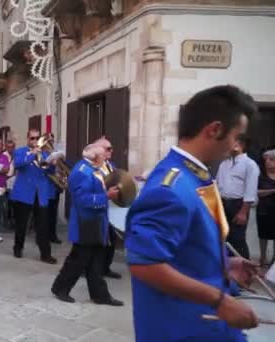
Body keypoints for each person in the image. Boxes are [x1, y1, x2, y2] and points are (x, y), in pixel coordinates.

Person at [125, 85, 260, 341]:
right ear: (214, 130)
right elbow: (145, 264)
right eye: (236, 137)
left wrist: (224, 264)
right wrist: (221, 301)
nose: (235, 147)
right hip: (183, 329)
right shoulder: (171, 187)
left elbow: (184, 247)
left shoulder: (193, 177)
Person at [51, 144, 124, 306]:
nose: (107, 156)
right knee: (79, 258)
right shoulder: (81, 172)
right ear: (95, 157)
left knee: (96, 258)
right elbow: (83, 200)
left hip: (96, 221)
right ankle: (60, 288)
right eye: (104, 153)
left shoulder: (94, 168)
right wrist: (106, 196)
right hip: (86, 221)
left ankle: (100, 295)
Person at [9, 129, 57, 264]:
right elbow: (18, 164)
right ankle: (18, 248)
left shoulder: (45, 152)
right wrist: (32, 154)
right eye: (32, 138)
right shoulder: (21, 151)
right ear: (27, 139)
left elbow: (49, 171)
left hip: (40, 193)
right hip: (24, 193)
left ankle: (45, 254)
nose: (35, 141)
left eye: (37, 138)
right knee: (21, 224)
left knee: (43, 225)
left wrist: (52, 165)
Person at [216, 134, 260, 259]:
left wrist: (243, 212)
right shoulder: (224, 164)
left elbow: (250, 190)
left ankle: (245, 271)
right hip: (222, 203)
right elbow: (218, 185)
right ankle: (227, 268)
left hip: (239, 205)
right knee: (224, 237)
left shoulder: (250, 164)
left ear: (239, 145)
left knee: (238, 239)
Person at [93, 137, 122, 279]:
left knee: (111, 239)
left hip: (110, 208)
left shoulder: (111, 165)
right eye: (108, 148)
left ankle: (106, 267)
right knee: (97, 242)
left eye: (111, 148)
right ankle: (92, 269)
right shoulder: (94, 167)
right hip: (98, 208)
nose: (111, 151)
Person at [257, 148, 275, 266]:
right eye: (266, 159)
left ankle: (274, 259)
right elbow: (258, 192)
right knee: (263, 235)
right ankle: (262, 257)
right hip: (264, 209)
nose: (268, 161)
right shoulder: (260, 176)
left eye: (271, 159)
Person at [4, 140, 16, 230]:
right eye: (8, 147)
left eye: (12, 147)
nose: (10, 149)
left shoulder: (16, 155)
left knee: (13, 202)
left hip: (14, 182)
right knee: (6, 203)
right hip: (5, 181)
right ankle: (7, 220)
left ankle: (13, 220)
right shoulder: (3, 155)